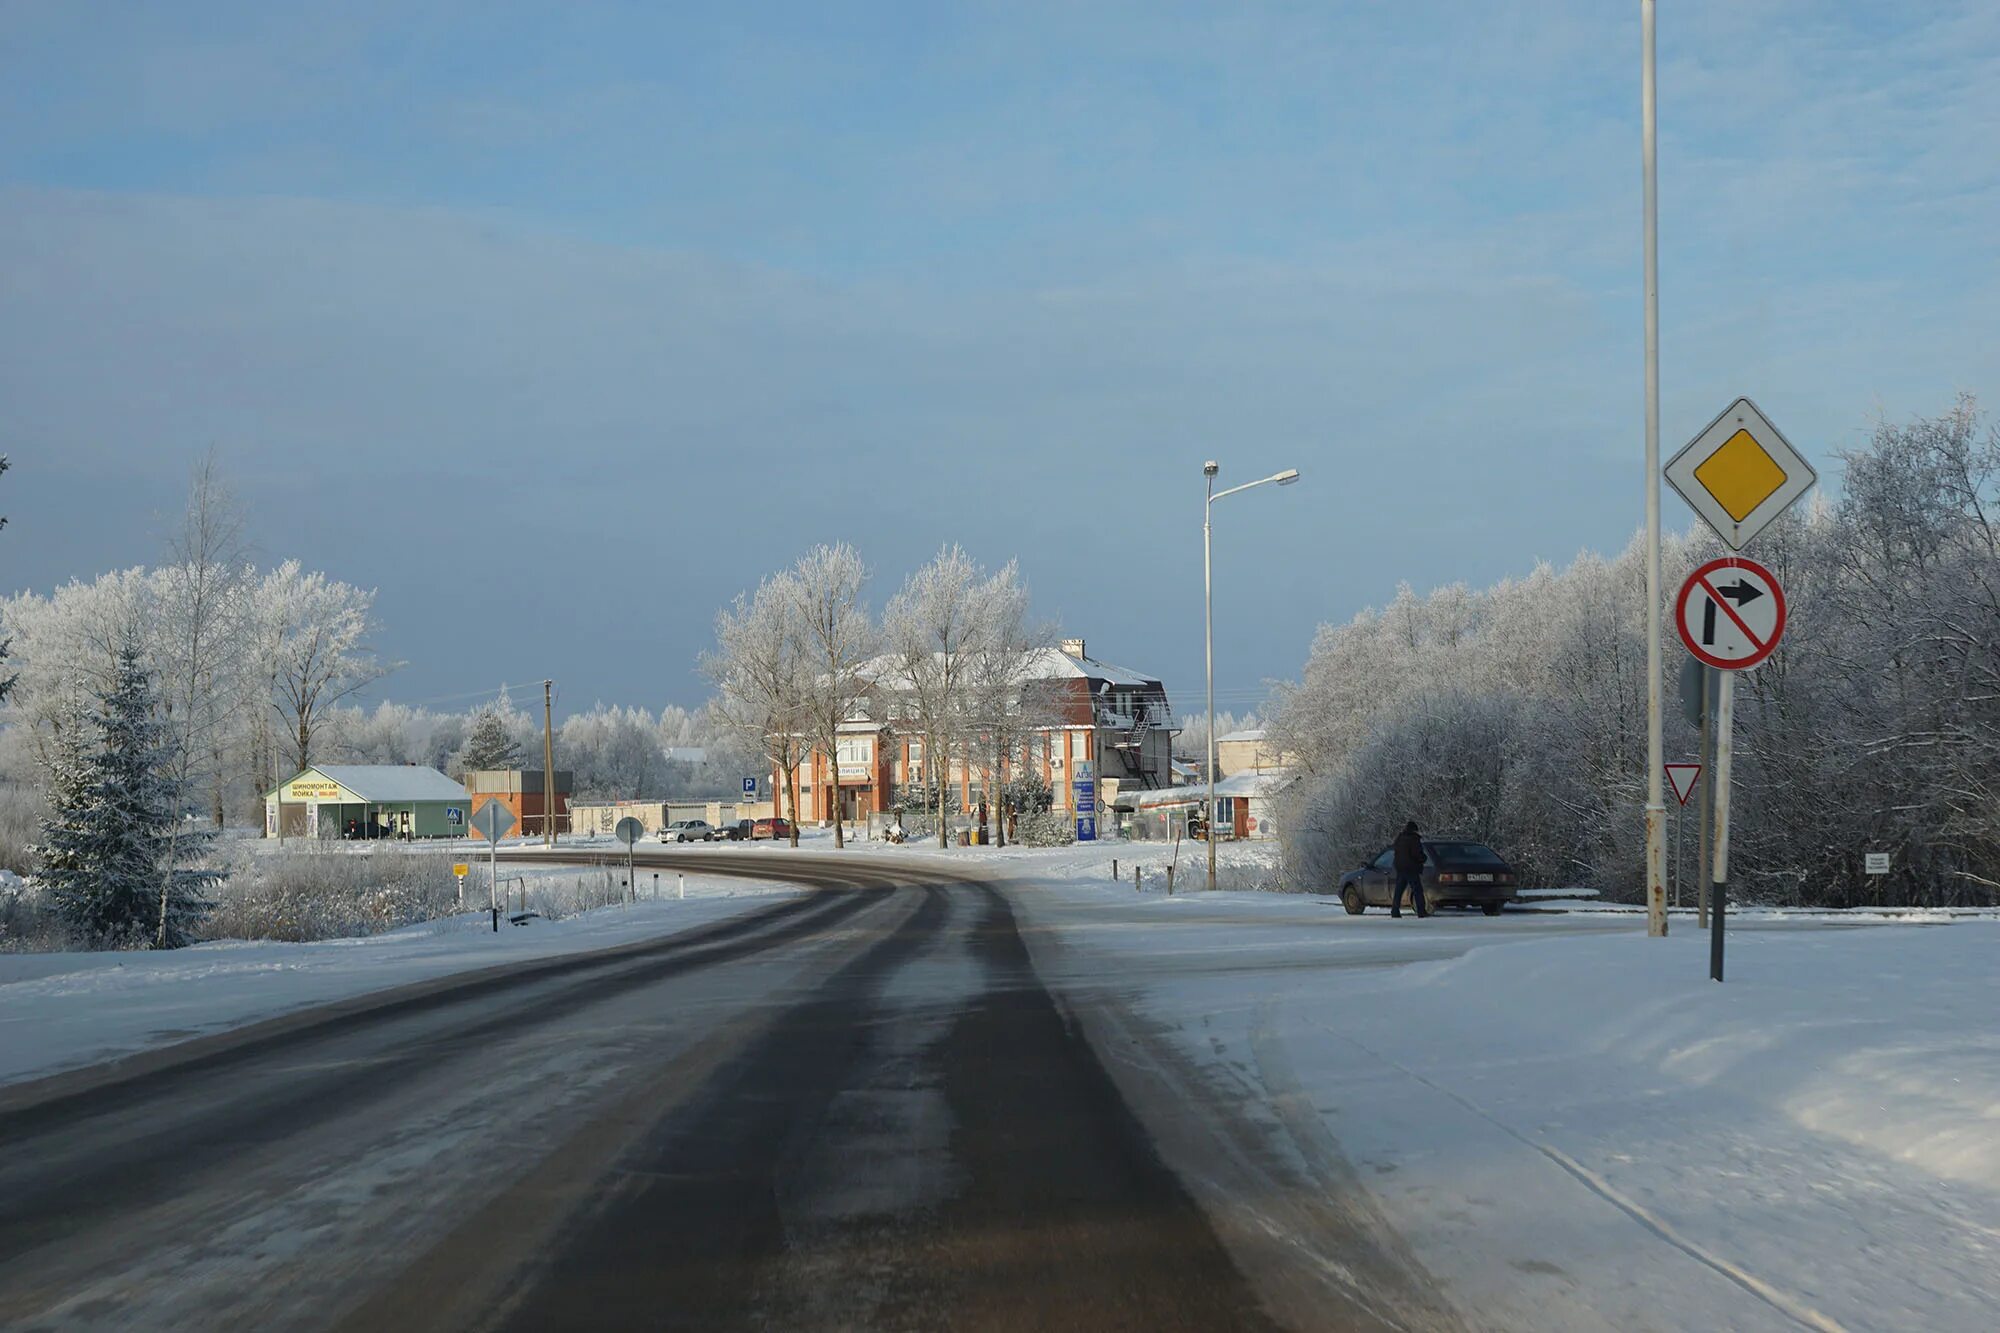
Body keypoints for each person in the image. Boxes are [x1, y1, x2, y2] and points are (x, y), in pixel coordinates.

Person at [1391, 820, 1429, 919]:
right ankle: (1421, 911)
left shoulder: (1399, 838)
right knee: (1417, 890)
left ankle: (1395, 911)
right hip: (1411, 868)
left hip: (1400, 868)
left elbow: (1395, 851)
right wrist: (1423, 858)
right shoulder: (1414, 839)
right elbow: (1417, 854)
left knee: (1398, 891)